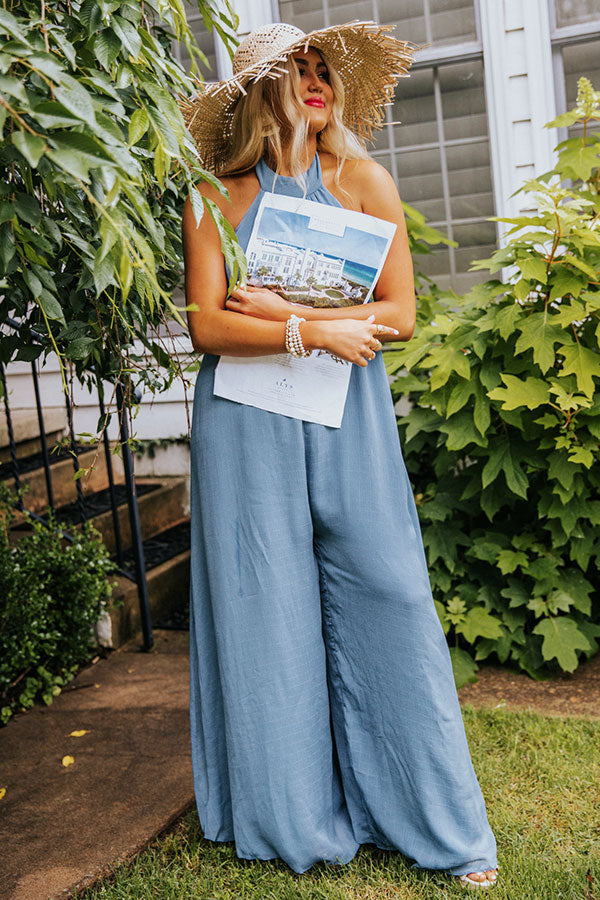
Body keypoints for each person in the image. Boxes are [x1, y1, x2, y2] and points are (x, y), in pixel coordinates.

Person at [179, 20, 499, 890]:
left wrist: (291, 316)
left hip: (346, 416)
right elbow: (208, 325)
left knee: (389, 594)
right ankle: (293, 819)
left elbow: (400, 313)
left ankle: (437, 826)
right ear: (260, 92)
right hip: (245, 425)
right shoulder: (213, 197)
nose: (317, 81)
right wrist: (311, 329)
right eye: (299, 70)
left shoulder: (365, 181)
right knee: (266, 611)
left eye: (325, 70)